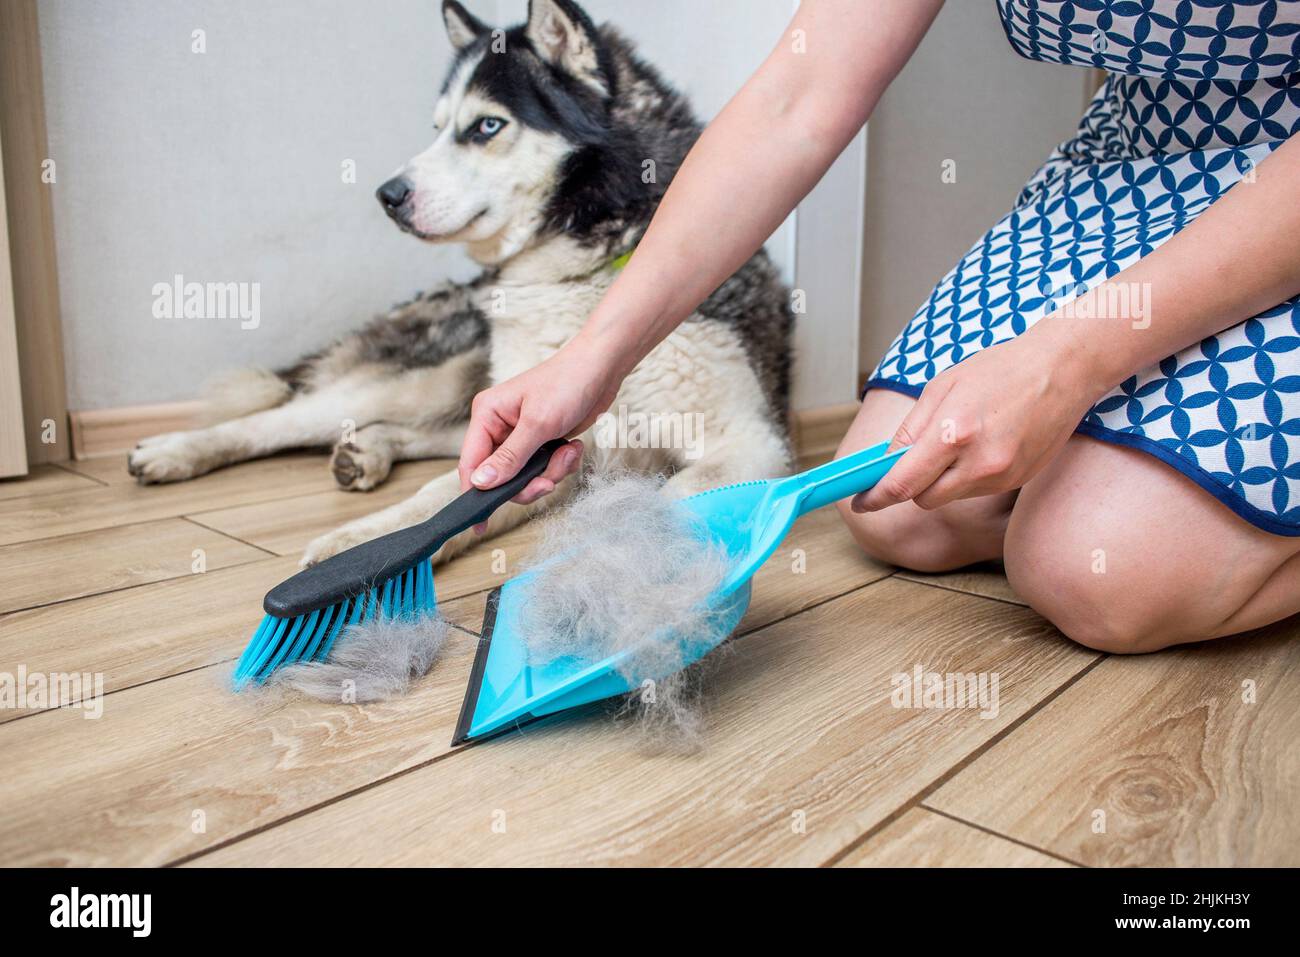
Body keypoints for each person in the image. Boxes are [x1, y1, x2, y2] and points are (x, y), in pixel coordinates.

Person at [457, 0, 1300, 653]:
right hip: (1137, 159)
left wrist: (1067, 360)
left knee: (1099, 571)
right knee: (901, 509)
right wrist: (594, 355)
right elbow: (798, 95)